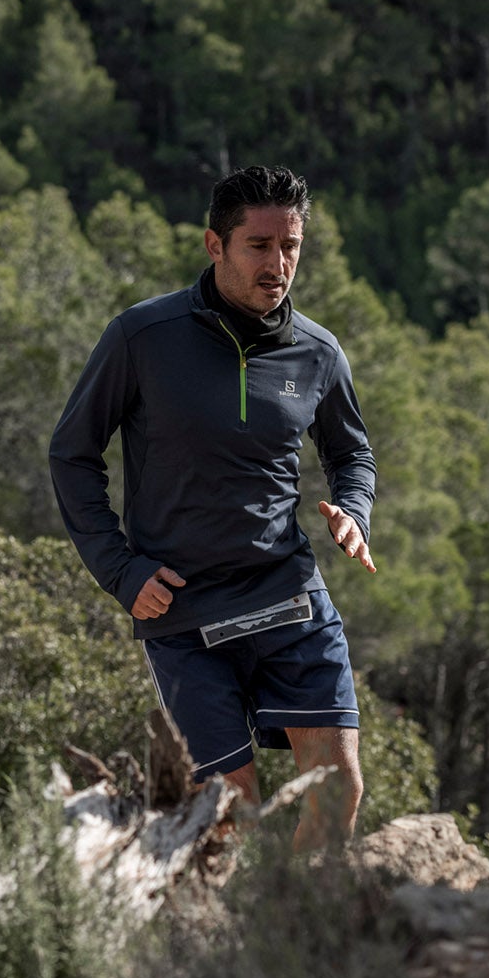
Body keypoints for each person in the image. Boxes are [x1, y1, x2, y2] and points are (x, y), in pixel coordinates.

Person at [48, 165, 378, 848]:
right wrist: (120, 569)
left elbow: (353, 455)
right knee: (227, 818)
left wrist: (353, 508)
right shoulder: (142, 337)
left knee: (339, 789)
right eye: (258, 245)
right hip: (184, 613)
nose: (278, 263)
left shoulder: (318, 351)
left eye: (290, 245)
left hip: (289, 598)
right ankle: (222, 948)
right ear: (214, 245)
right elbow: (71, 453)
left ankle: (293, 940)